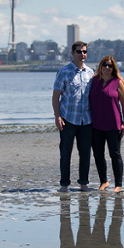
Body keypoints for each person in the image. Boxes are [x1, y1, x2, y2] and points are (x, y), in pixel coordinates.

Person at [52, 41, 95, 192]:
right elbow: (55, 96)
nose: (82, 54)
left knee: (85, 154)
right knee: (65, 153)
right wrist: (57, 117)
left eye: (84, 51)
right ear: (72, 53)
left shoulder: (91, 73)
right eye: (79, 51)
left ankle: (83, 184)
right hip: (67, 119)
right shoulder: (64, 72)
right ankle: (64, 185)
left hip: (86, 120)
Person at [89, 56, 124, 192]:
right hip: (96, 124)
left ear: (113, 68)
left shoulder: (118, 82)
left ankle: (118, 184)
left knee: (115, 154)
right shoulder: (94, 81)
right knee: (98, 154)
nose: (107, 68)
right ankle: (104, 182)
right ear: (100, 66)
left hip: (114, 124)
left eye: (110, 66)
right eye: (104, 65)